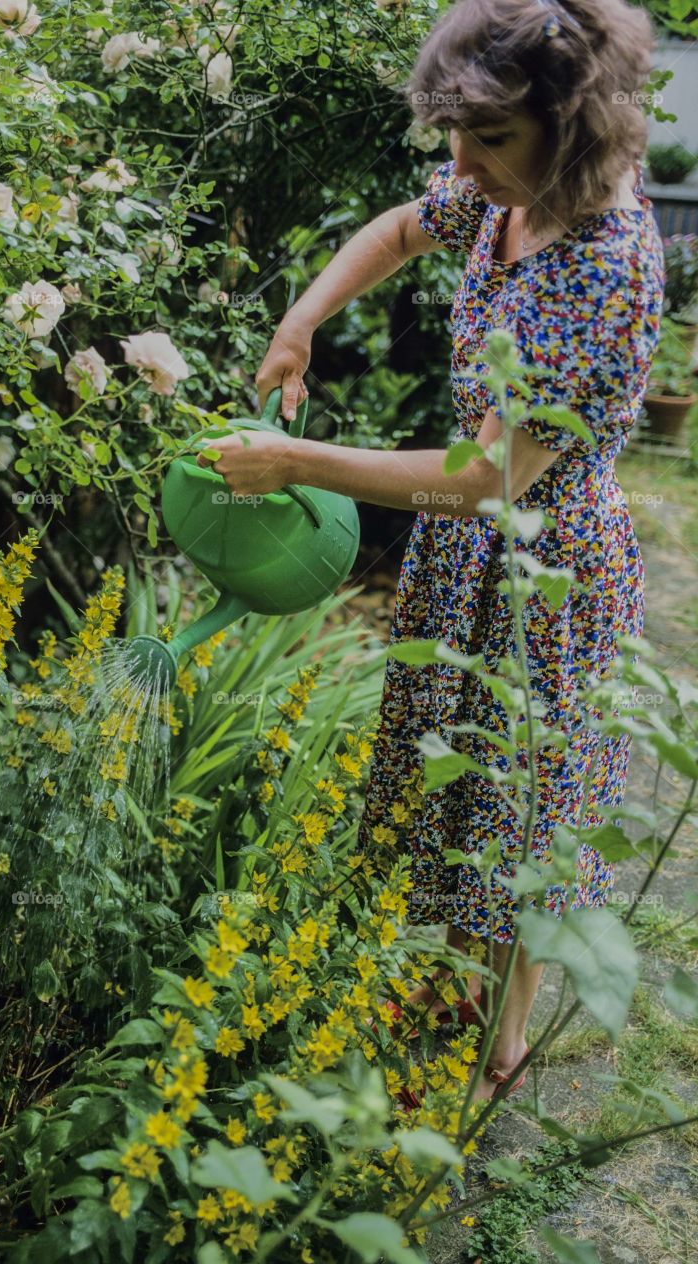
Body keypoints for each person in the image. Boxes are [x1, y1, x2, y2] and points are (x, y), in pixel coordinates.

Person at [195, 0, 665, 1100]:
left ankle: (496, 1040)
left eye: (489, 139)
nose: (460, 161)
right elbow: (403, 228)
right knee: (450, 787)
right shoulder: (506, 192)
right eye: (454, 133)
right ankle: (445, 983)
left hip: (548, 574)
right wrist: (297, 322)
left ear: (573, 126)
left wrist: (299, 460)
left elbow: (488, 478)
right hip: (467, 564)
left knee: (519, 811)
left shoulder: (601, 261)